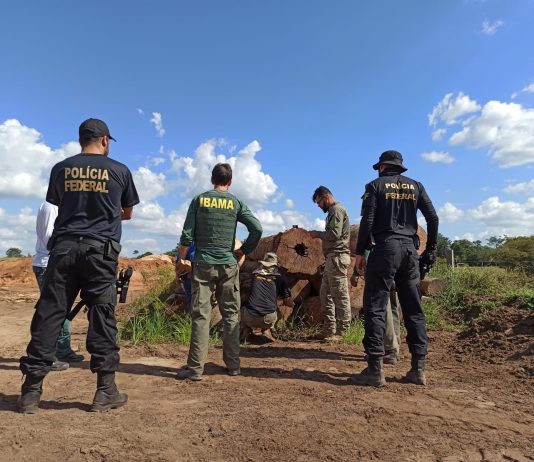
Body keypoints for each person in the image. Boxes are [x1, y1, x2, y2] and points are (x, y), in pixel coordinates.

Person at [19, 118, 140, 413]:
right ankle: (105, 391)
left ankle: (30, 393)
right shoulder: (120, 170)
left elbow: (60, 203)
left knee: (50, 315)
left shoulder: (61, 169)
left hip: (63, 249)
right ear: (105, 140)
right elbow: (127, 213)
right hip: (100, 253)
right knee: (102, 316)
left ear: (81, 140)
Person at [351, 150, 438, 387]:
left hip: (384, 250)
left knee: (375, 307)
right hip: (410, 252)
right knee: (413, 309)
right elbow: (433, 218)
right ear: (400, 167)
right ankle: (418, 369)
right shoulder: (416, 186)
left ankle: (375, 369)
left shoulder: (374, 186)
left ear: (382, 167)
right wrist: (430, 249)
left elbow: (368, 220)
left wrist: (360, 252)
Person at [176, 163, 262, 381]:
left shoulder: (199, 200)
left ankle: (195, 369)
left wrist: (181, 260)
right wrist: (243, 250)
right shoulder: (235, 202)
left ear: (212, 179)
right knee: (231, 315)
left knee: (200, 316)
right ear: (230, 181)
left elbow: (187, 235)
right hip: (228, 265)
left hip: (203, 264)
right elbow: (257, 228)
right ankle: (233, 365)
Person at [32, 201, 84, 370]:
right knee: (53, 311)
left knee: (61, 310)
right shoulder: (51, 206)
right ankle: (47, 356)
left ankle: (62, 350)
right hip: (48, 264)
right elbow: (49, 237)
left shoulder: (63, 206)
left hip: (57, 263)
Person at [312, 186, 351, 341]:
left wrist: (317, 234)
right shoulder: (332, 212)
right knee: (326, 294)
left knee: (340, 294)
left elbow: (334, 234)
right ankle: (329, 330)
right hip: (332, 258)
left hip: (338, 257)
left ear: (326, 197)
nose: (319, 206)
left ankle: (342, 332)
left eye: (319, 202)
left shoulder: (336, 210)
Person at [241, 252, 293, 343]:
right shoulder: (280, 279)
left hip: (249, 317)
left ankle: (246, 329)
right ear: (276, 265)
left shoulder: (253, 276)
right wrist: (290, 304)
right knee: (277, 311)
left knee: (243, 306)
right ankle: (267, 330)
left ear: (263, 264)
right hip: (268, 319)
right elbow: (288, 302)